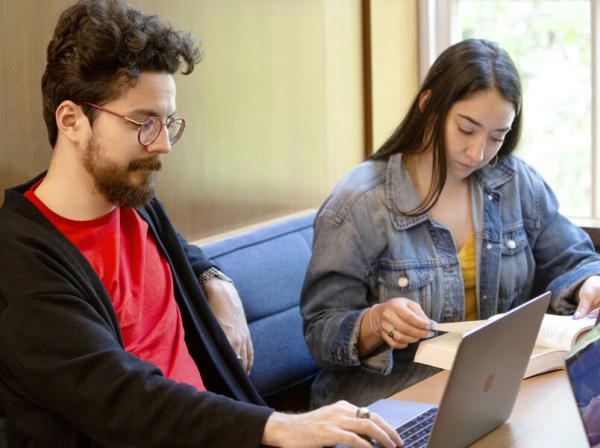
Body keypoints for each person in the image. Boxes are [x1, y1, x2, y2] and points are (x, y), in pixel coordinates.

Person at [0, 1, 403, 447]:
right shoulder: (21, 261)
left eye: (167, 121)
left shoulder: (132, 202)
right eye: (144, 123)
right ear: (72, 120)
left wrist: (217, 281)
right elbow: (120, 396)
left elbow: (184, 253)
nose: (165, 144)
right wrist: (280, 426)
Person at [301, 38, 600, 409]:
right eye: (466, 129)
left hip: (489, 392)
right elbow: (320, 332)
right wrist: (376, 322)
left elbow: (573, 258)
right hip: (386, 404)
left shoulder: (514, 183)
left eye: (497, 137)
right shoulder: (360, 202)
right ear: (429, 107)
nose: (478, 153)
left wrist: (590, 280)